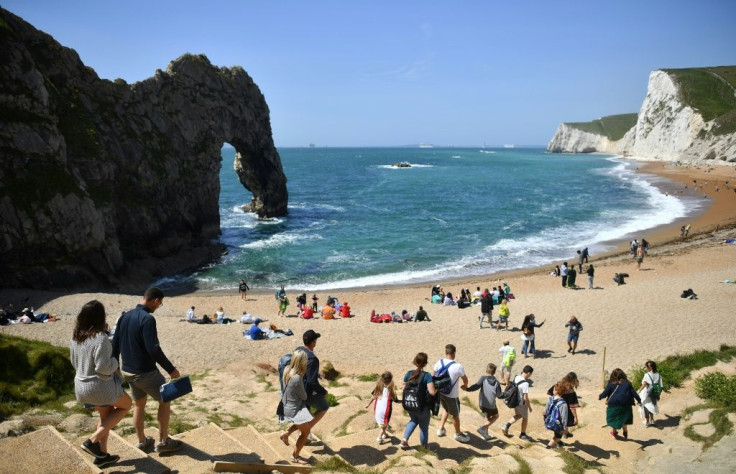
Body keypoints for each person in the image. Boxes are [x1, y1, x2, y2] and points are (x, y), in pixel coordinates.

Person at [111, 287, 183, 453]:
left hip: (127, 371)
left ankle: (142, 441)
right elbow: (154, 349)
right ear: (155, 300)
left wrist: (116, 367)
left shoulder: (124, 317)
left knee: (139, 404)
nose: (158, 307)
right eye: (160, 303)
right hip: (145, 372)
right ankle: (164, 441)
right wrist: (171, 370)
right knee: (165, 400)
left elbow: (115, 344)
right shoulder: (147, 319)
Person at [71, 300, 132, 468]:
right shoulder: (101, 338)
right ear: (100, 317)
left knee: (106, 418)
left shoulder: (76, 336)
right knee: (127, 405)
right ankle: (91, 441)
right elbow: (104, 368)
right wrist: (115, 362)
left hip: (81, 386)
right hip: (99, 387)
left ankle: (102, 455)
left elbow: (74, 362)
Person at [283, 330, 329, 439]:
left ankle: (290, 433)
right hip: (305, 391)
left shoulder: (298, 350)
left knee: (305, 414)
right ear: (313, 342)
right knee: (324, 407)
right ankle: (306, 430)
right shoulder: (312, 359)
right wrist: (323, 392)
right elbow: (312, 381)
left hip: (295, 388)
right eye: (315, 340)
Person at [278, 350, 313, 465]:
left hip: (288, 405)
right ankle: (295, 456)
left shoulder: (287, 371)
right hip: (294, 409)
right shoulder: (297, 378)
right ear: (302, 362)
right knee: (306, 431)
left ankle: (286, 433)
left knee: (305, 422)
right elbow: (304, 396)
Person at [433, 344, 470, 443]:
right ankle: (458, 434)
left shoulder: (439, 362)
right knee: (455, 415)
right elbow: (465, 379)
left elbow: (433, 376)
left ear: (446, 353)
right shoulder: (458, 366)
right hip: (452, 395)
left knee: (445, 409)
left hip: (440, 392)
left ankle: (441, 429)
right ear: (454, 353)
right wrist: (465, 386)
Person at [400, 352, 437, 449]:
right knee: (424, 428)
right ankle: (424, 447)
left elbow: (404, 387)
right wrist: (437, 388)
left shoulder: (409, 373)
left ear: (415, 362)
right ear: (425, 363)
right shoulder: (427, 376)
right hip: (422, 406)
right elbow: (432, 392)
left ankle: (404, 440)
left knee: (413, 420)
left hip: (410, 403)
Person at [463, 363, 503, 441]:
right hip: (491, 405)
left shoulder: (483, 378)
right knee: (496, 416)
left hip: (482, 404)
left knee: (487, 416)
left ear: (486, 370)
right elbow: (499, 395)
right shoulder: (497, 382)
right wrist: (507, 394)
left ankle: (485, 434)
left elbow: (476, 386)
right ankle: (483, 428)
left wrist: (467, 389)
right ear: (494, 372)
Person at [598, 368, 641, 439]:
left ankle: (614, 432)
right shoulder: (627, 383)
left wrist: (600, 397)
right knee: (624, 418)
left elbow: (606, 392)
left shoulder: (611, 383)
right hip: (626, 405)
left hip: (614, 405)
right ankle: (625, 431)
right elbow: (634, 393)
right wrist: (639, 400)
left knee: (612, 418)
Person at [501, 365, 534, 441]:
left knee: (518, 415)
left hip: (514, 401)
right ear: (528, 373)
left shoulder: (517, 377)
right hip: (521, 403)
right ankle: (523, 434)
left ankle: (506, 426)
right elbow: (525, 398)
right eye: (530, 374)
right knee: (525, 418)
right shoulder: (525, 384)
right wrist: (529, 407)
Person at [365, 372, 398, 444]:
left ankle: (384, 434)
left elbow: (373, 397)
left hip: (377, 410)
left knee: (382, 423)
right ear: (390, 380)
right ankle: (379, 437)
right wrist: (404, 402)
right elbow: (396, 400)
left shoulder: (378, 388)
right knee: (385, 424)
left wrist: (368, 404)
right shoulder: (391, 390)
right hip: (386, 411)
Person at [547, 372, 580, 439]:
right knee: (562, 424)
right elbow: (572, 407)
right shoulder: (571, 392)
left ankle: (566, 433)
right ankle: (557, 441)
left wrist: (556, 396)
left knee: (557, 422)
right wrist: (575, 417)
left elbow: (548, 392)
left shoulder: (558, 385)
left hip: (555, 408)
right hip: (565, 410)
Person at [544, 382, 569, 449]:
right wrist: (564, 427)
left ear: (556, 391)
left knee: (556, 433)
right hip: (558, 423)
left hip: (549, 421)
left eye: (554, 389)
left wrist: (546, 419)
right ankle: (548, 447)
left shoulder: (550, 399)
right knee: (558, 436)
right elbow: (564, 417)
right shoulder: (563, 404)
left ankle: (559, 443)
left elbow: (545, 411)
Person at [639, 361, 662, 427]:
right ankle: (652, 419)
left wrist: (639, 390)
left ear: (650, 367)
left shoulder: (647, 375)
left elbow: (644, 383)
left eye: (647, 366)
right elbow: (661, 385)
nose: (646, 368)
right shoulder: (658, 375)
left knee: (646, 406)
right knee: (652, 404)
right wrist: (658, 393)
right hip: (655, 392)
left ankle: (647, 421)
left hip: (647, 392)